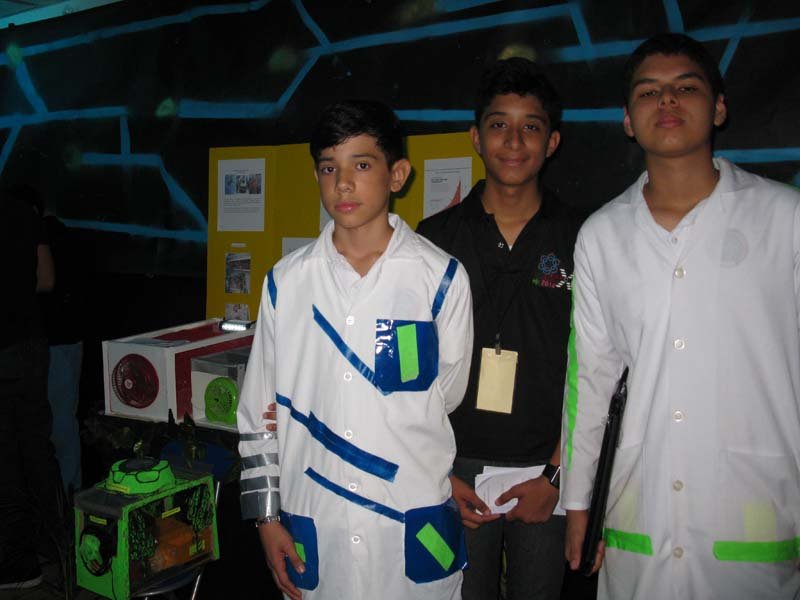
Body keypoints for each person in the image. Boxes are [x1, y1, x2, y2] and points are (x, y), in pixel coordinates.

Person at [562, 32, 800, 600]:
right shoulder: (602, 235)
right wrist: (577, 504)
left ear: (718, 108)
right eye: (648, 92)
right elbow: (589, 381)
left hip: (758, 510)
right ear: (628, 120)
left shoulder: (785, 218)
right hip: (637, 512)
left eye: (685, 88)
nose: (666, 100)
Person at [237, 99, 474, 600]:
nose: (343, 183)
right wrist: (266, 517)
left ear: (397, 174)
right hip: (315, 524)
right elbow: (257, 411)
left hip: (410, 524)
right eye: (329, 168)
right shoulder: (287, 283)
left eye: (362, 165)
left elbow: (446, 396)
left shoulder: (439, 279)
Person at [417, 58, 578, 600]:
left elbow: (601, 368)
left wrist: (556, 477)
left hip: (545, 469)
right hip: (453, 468)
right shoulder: (433, 240)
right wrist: (437, 473)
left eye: (530, 126)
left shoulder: (584, 238)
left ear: (552, 142)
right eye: (498, 125)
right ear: (476, 138)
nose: (513, 141)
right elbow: (411, 371)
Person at [0, 185, 61, 590]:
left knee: (5, 460)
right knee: (38, 449)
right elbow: (46, 280)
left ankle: (18, 564)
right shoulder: (23, 212)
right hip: (30, 344)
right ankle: (57, 545)